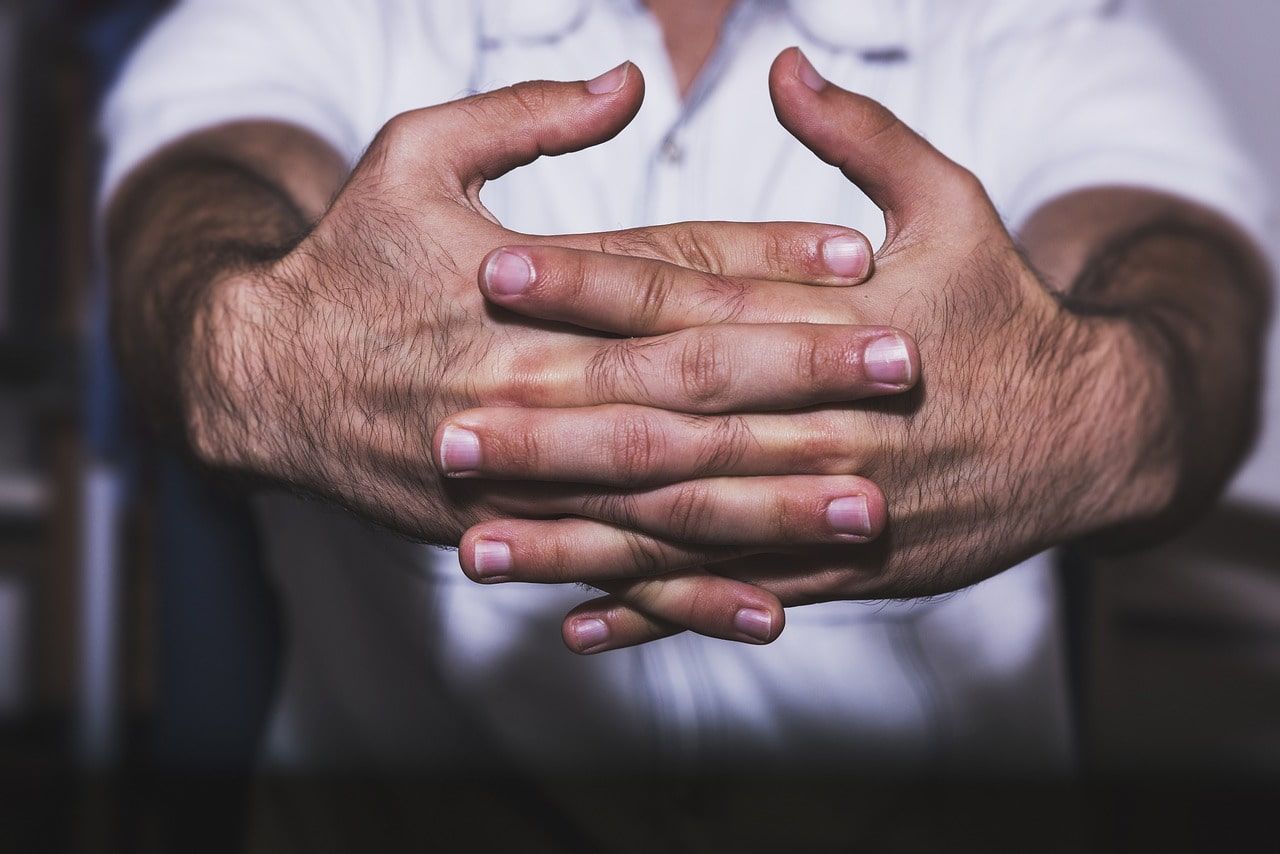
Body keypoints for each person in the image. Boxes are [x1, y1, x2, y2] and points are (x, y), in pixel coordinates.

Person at [101, 0, 1269, 836]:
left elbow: (1180, 286)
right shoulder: (307, 17)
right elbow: (189, 211)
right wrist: (263, 349)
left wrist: (1075, 407)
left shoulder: (1036, 27)